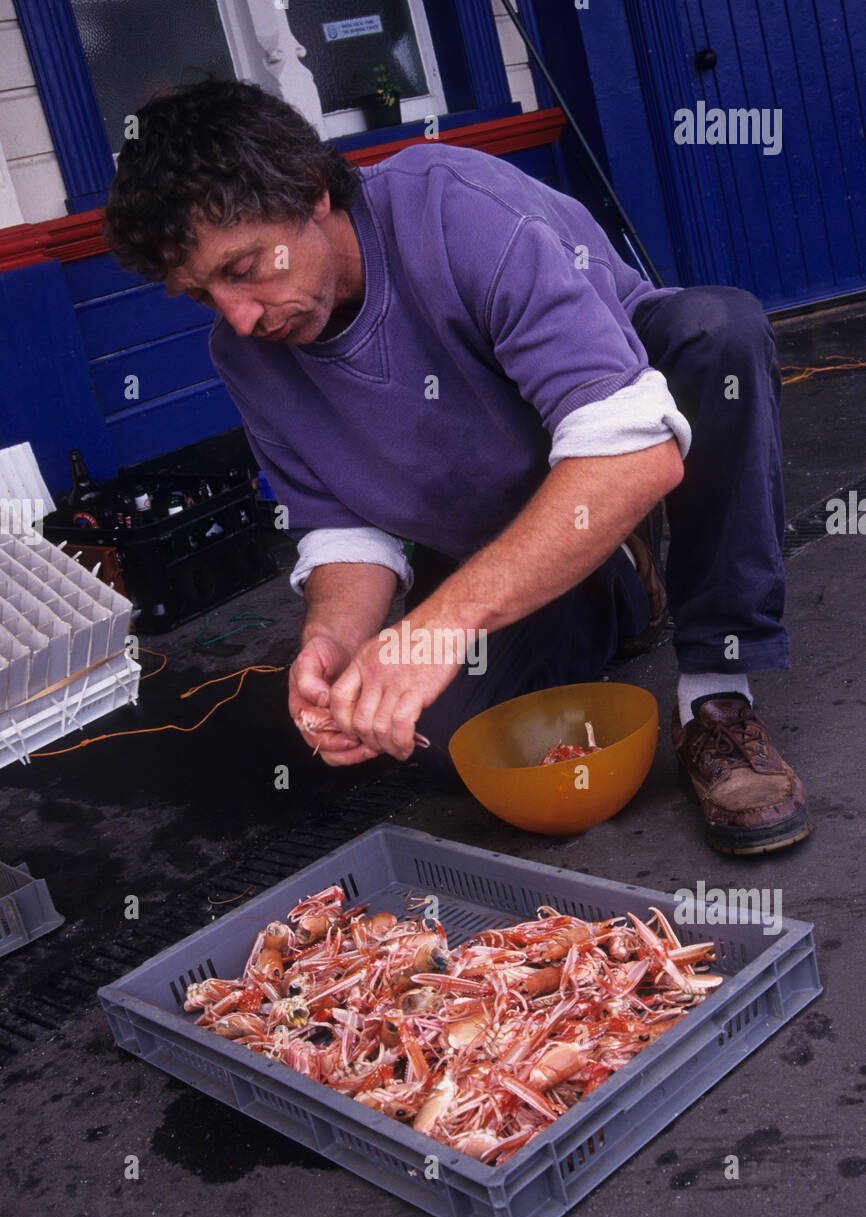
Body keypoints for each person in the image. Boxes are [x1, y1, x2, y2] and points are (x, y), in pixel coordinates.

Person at [103, 77, 811, 855]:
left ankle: (716, 696)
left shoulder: (455, 209)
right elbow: (342, 530)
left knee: (718, 331)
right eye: (202, 295)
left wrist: (440, 627)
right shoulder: (245, 355)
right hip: (490, 526)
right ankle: (611, 581)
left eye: (243, 269)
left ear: (310, 191)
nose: (237, 317)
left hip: (621, 421)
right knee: (437, 743)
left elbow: (636, 454)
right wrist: (334, 640)